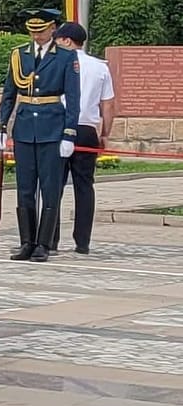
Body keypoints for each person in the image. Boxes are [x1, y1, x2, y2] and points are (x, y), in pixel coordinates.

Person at [0, 7, 80, 263]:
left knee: (50, 188)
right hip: (24, 128)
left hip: (52, 126)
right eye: (33, 31)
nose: (37, 35)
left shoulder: (66, 57)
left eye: (41, 31)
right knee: (25, 188)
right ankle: (26, 242)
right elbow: (9, 94)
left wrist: (69, 133)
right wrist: (0, 126)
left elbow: (73, 99)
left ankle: (44, 243)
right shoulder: (19, 55)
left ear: (53, 29)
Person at [53, 21, 114, 256]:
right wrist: (105, 133)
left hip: (60, 126)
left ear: (67, 41)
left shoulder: (57, 63)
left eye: (58, 39)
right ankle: (82, 241)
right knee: (84, 186)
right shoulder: (100, 67)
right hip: (88, 128)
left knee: (53, 185)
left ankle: (50, 238)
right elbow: (108, 104)